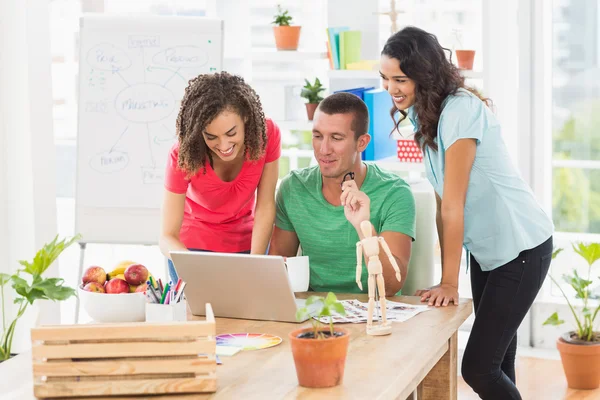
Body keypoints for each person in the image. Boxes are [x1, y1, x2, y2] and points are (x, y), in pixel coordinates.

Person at [379, 26, 554, 399]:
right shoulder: (426, 116)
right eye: (385, 78)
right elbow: (444, 201)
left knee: (478, 368)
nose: (390, 88)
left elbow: (454, 204)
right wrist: (449, 275)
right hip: (489, 250)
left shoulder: (459, 110)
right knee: (498, 365)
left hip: (520, 247)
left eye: (400, 78)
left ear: (423, 74)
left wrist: (449, 283)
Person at [269, 92, 415, 296]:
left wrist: (363, 226)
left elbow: (391, 285)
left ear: (362, 143)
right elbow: (277, 274)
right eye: (318, 136)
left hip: (374, 311)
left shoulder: (395, 193)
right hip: (316, 314)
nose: (324, 149)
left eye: (336, 138)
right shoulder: (293, 188)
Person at [160, 72, 281, 282]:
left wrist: (256, 263)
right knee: (198, 314)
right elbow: (166, 236)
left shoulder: (267, 134)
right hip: (193, 248)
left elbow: (265, 205)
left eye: (231, 133)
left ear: (246, 118)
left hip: (248, 245)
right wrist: (193, 267)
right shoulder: (183, 154)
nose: (223, 146)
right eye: (211, 137)